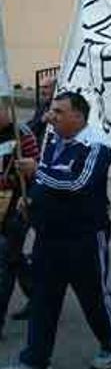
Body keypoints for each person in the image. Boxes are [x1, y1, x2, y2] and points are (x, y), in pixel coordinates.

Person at [0, 92, 111, 369]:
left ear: (79, 117)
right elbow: (48, 180)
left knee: (93, 294)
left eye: (58, 111)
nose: (50, 116)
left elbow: (78, 183)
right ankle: (36, 358)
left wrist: (39, 172)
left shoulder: (97, 145)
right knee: (44, 296)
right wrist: (30, 196)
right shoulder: (54, 139)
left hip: (83, 235)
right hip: (49, 233)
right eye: (51, 110)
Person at [0, 109, 38, 338]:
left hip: (16, 208)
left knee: (4, 262)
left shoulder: (23, 135)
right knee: (13, 259)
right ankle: (39, 297)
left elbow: (36, 171)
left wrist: (28, 196)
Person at [28, 76, 55, 145]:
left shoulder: (61, 106)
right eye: (41, 87)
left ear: (54, 88)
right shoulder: (42, 106)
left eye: (46, 87)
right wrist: (42, 120)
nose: (42, 91)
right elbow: (32, 128)